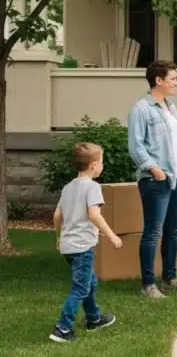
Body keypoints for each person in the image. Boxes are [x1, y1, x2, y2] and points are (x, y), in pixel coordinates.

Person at [128, 59, 177, 298]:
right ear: (159, 80)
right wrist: (153, 169)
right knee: (153, 231)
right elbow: (136, 146)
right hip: (156, 180)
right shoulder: (141, 109)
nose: (176, 83)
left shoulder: (171, 108)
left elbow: (171, 141)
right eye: (173, 78)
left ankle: (170, 278)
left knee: (173, 230)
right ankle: (148, 284)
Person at [49, 142, 121, 343]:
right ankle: (62, 328)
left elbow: (57, 216)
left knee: (89, 282)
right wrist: (112, 235)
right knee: (81, 288)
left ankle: (93, 318)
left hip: (68, 246)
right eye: (102, 162)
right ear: (93, 165)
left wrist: (58, 238)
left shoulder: (68, 187)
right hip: (82, 247)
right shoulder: (93, 187)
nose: (102, 166)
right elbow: (94, 215)